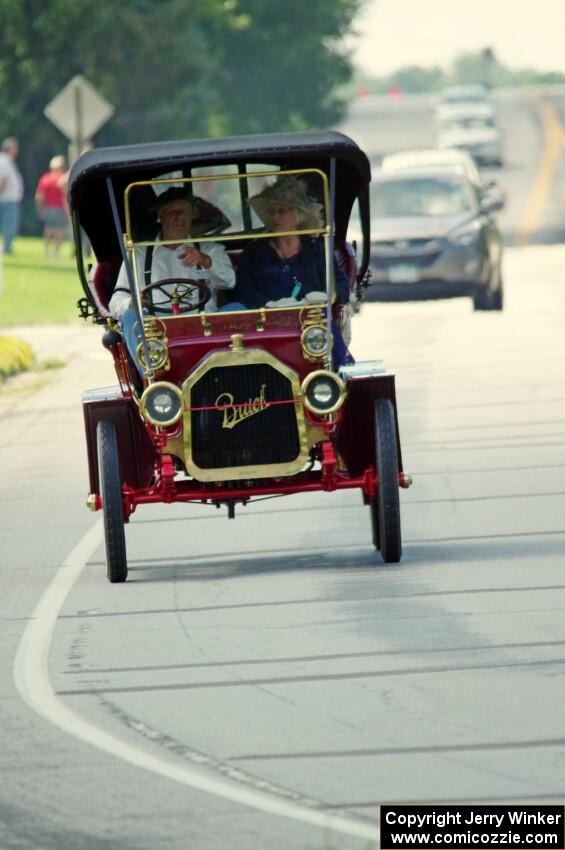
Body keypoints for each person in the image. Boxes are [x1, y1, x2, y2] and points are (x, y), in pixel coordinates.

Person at [230, 175, 353, 364]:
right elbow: (244, 295)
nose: (275, 217)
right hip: (268, 324)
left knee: (325, 328)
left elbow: (341, 287)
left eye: (281, 211)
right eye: (272, 212)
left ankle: (339, 374)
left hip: (313, 323)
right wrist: (270, 307)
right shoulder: (254, 253)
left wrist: (322, 299)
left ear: (298, 215)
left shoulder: (318, 248)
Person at [109, 187, 235, 372]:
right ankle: (153, 380)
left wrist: (205, 261)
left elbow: (230, 281)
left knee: (238, 310)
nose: (178, 218)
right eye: (171, 212)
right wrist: (132, 302)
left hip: (204, 326)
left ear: (192, 215)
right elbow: (116, 302)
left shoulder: (210, 249)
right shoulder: (139, 254)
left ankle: (231, 373)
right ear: (160, 216)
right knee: (130, 317)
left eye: (183, 211)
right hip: (157, 333)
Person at [35, 155, 68, 257]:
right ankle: (56, 253)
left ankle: (46, 252)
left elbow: (39, 197)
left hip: (48, 208)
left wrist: (40, 209)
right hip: (60, 209)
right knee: (59, 231)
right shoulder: (64, 179)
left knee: (48, 230)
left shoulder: (45, 179)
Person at [0, 137, 24, 255]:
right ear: (9, 148)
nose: (16, 151)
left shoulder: (7, 161)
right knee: (8, 225)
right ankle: (7, 248)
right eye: (15, 148)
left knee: (8, 225)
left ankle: (7, 247)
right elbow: (2, 180)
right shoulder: (4, 161)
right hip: (7, 199)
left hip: (8, 199)